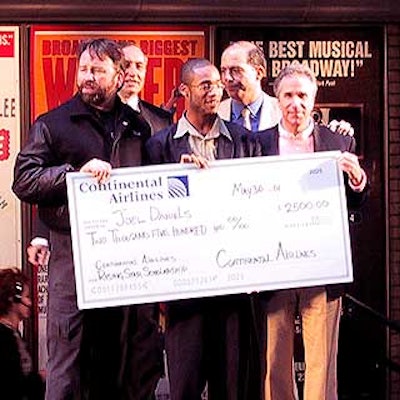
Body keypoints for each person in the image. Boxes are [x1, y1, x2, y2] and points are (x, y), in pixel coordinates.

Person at [12, 38, 162, 400]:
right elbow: (24, 180)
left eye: (97, 70)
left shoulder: (139, 127)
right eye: (83, 69)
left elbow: (159, 181)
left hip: (126, 264)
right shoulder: (54, 123)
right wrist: (73, 175)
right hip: (72, 262)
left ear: (118, 75)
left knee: (120, 364)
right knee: (67, 365)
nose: (88, 76)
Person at [253, 64, 368, 400]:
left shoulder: (337, 142)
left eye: (302, 95)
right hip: (274, 268)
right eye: (288, 95)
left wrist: (358, 180)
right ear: (277, 100)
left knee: (321, 361)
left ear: (314, 99)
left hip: (322, 266)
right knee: (274, 358)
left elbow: (354, 203)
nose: (295, 103)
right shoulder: (258, 144)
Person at [146, 58, 250, 400]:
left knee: (231, 388)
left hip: (232, 289)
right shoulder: (158, 148)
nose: (214, 91)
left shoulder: (244, 142)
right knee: (185, 387)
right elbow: (148, 216)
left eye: (217, 84)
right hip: (183, 292)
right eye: (205, 85)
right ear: (183, 91)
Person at [219, 40, 353, 135]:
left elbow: (312, 140)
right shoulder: (214, 114)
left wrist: (338, 132)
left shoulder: (286, 109)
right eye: (223, 70)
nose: (227, 78)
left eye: (236, 70)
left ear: (259, 73)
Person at [0, 267, 45, 400]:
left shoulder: (13, 334)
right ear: (12, 299)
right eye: (26, 297)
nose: (30, 303)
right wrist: (40, 378)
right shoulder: (3, 338)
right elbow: (11, 385)